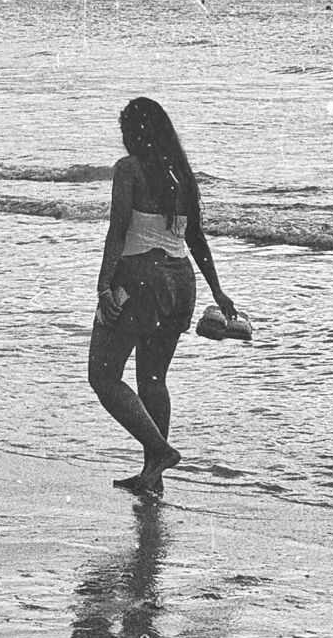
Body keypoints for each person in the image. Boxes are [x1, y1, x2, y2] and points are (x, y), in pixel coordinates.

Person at [88, 97, 237, 495]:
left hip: (140, 279)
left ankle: (160, 451)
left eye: (125, 130)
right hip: (180, 281)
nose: (122, 137)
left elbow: (118, 231)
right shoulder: (181, 173)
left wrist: (103, 287)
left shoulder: (129, 169)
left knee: (103, 376)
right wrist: (217, 289)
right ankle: (153, 475)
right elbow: (196, 237)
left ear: (135, 133)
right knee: (153, 379)